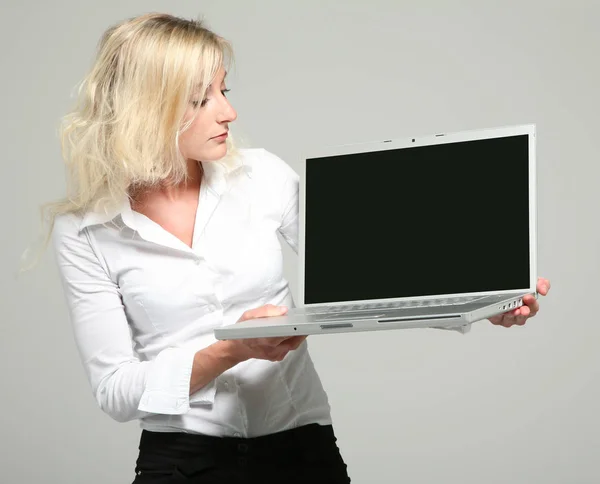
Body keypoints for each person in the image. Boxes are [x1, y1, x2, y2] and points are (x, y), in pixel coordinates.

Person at [44, 12, 551, 484]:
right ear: (146, 109)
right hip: (180, 461)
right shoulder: (86, 230)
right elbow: (116, 390)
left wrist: (482, 303)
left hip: (301, 450)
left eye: (224, 89)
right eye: (202, 99)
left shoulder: (261, 175)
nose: (228, 111)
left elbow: (376, 283)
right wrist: (230, 349)